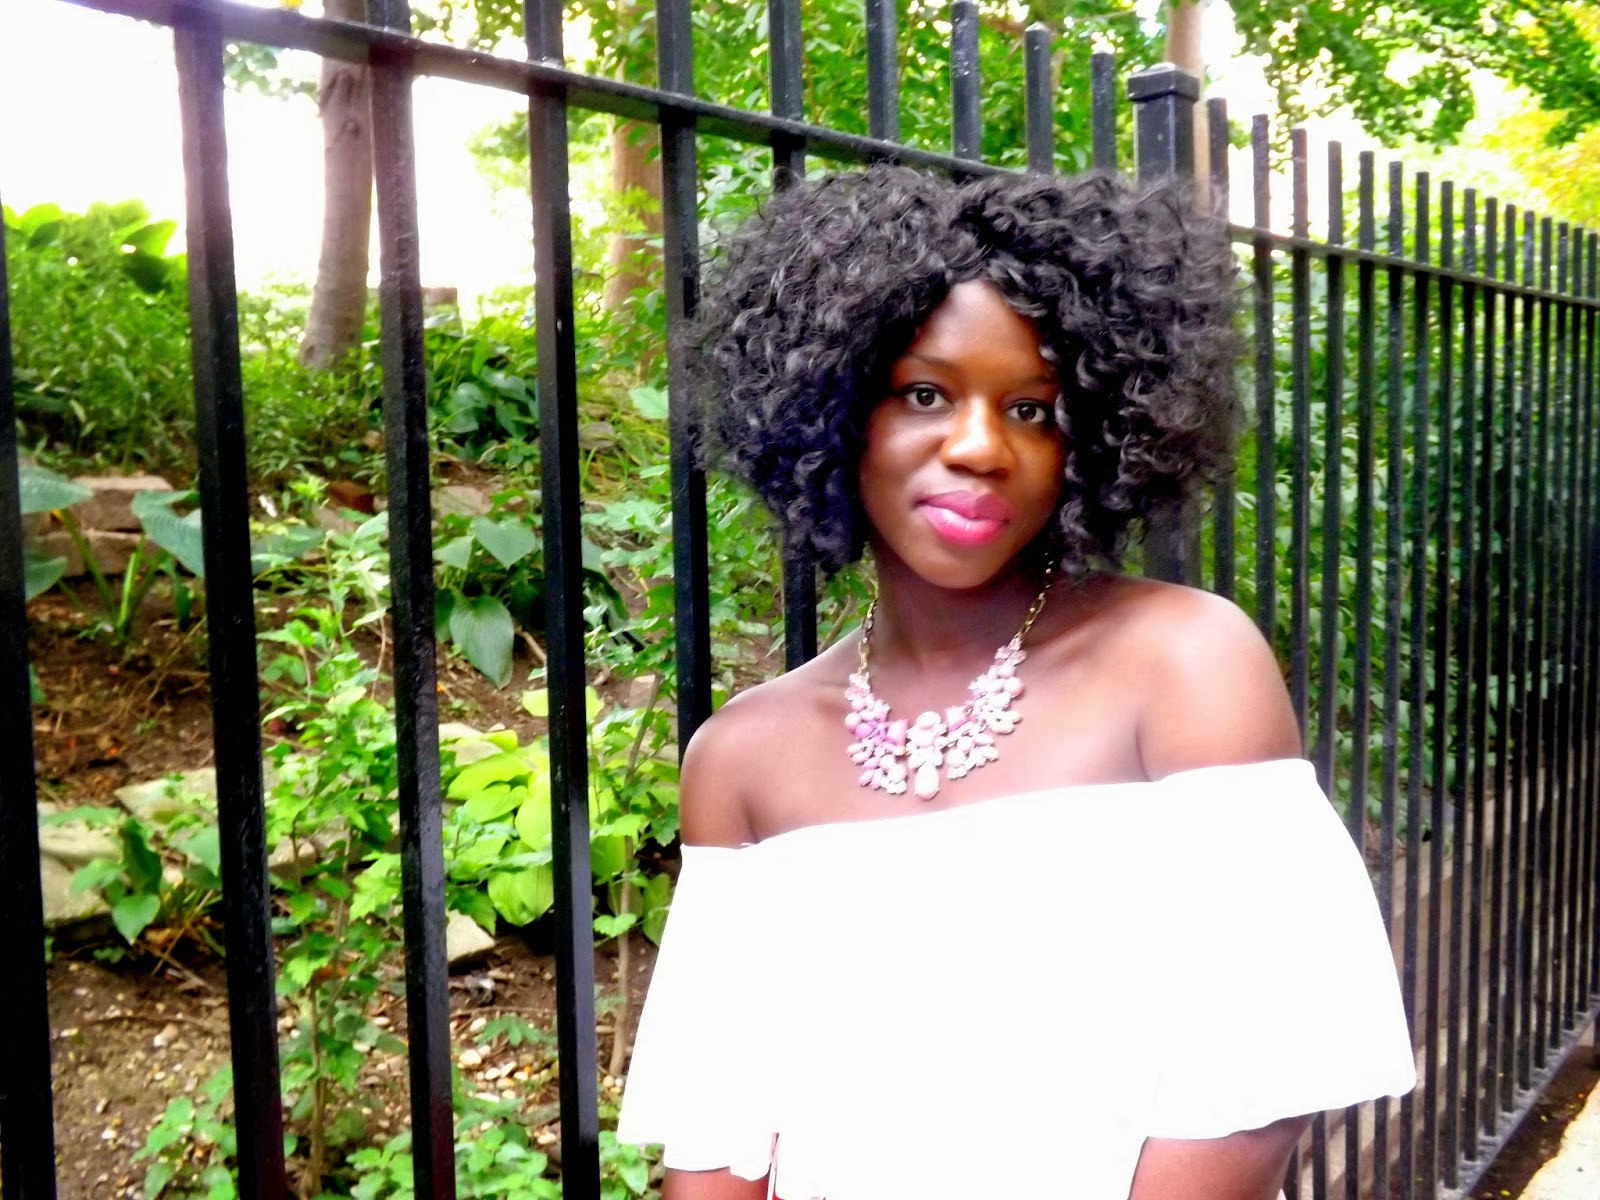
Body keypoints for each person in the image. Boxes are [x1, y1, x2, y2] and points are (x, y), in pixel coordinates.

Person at [616, 166, 1415, 1200]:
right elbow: (719, 1129)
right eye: (924, 394)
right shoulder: (741, 757)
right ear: (830, 410)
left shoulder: (1183, 667)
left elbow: (1257, 1075)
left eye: (1033, 410)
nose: (979, 448)